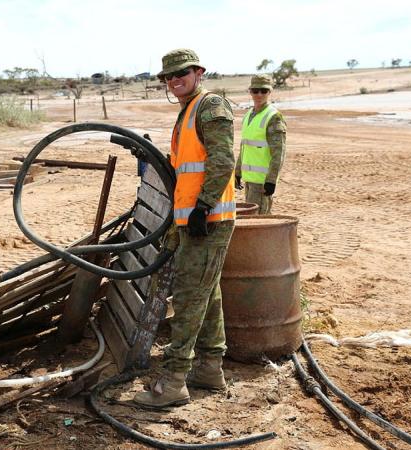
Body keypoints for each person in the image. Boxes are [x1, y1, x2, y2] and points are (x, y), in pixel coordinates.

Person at [133, 49, 236, 408]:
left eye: (181, 73)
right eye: (168, 77)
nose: (174, 80)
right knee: (208, 296)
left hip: (209, 221)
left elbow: (223, 160)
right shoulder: (187, 111)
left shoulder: (210, 107)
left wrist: (204, 207)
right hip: (193, 220)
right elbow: (185, 170)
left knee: (190, 298)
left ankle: (175, 382)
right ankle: (210, 369)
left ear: (198, 72)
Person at [235, 74, 287, 214]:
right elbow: (244, 146)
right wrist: (238, 172)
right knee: (252, 219)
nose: (259, 94)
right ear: (250, 92)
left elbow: (278, 153)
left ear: (269, 92)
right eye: (255, 90)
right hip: (249, 180)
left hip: (262, 183)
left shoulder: (273, 117)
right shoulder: (248, 115)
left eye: (263, 91)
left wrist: (271, 180)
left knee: (260, 219)